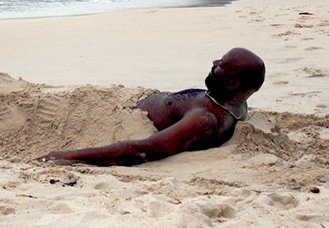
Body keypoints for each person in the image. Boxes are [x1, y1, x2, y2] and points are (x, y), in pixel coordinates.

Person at [36, 48, 265, 166]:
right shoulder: (235, 101)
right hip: (133, 100)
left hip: (119, 115)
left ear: (233, 83)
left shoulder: (204, 119)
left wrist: (67, 156)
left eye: (221, 64)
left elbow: (144, 150)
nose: (214, 63)